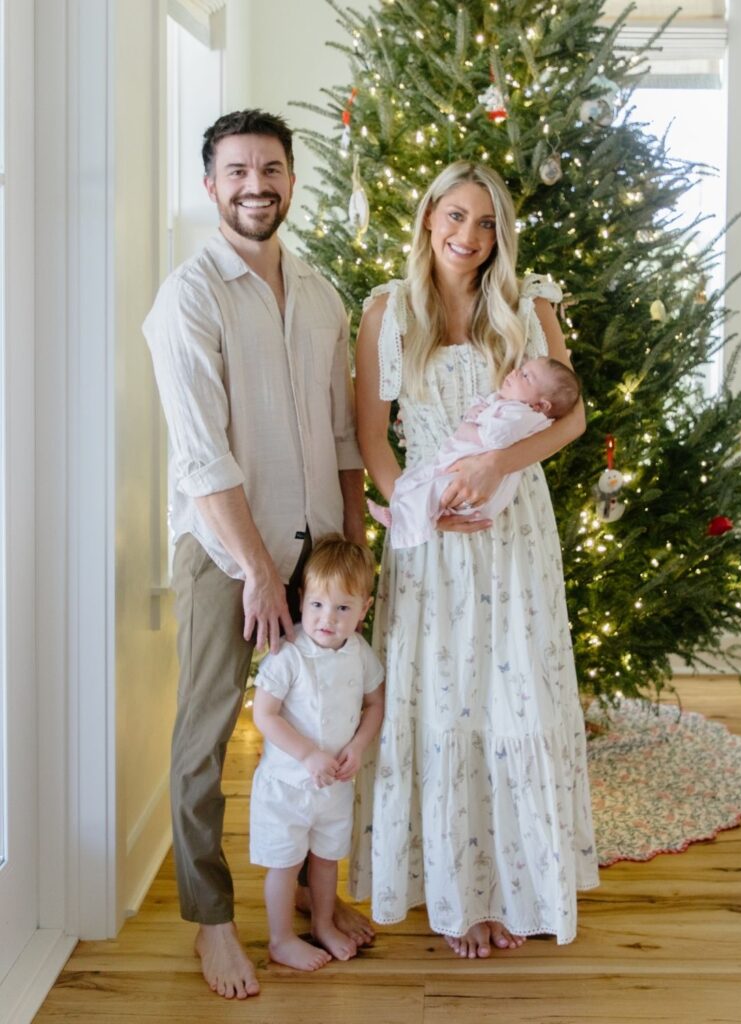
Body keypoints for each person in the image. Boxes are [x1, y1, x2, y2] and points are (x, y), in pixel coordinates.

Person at [143, 109, 372, 1000]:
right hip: (226, 557)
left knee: (328, 731)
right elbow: (203, 457)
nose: (255, 185)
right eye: (236, 171)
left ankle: (320, 903)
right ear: (211, 185)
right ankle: (211, 924)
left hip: (322, 566)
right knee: (203, 741)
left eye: (269, 169)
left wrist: (354, 554)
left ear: (289, 178)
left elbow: (342, 439)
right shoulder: (188, 297)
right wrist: (256, 573)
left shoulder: (319, 292)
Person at [350, 160, 599, 958]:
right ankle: (455, 896)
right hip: (429, 543)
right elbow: (368, 437)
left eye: (486, 223)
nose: (469, 236)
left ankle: (515, 887)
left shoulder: (527, 306)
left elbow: (569, 423)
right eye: (455, 217)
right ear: (428, 219)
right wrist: (415, 509)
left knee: (512, 701)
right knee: (446, 704)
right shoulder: (387, 313)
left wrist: (497, 467)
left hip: (512, 531)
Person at [250, 534, 385, 971]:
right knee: (285, 866)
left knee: (327, 861)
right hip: (288, 787)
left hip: (335, 786)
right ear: (303, 601)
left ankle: (324, 924)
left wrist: (359, 745)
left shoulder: (360, 655)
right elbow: (265, 715)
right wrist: (307, 755)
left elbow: (374, 703)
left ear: (363, 611)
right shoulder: (289, 656)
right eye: (318, 606)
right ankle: (281, 938)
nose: (328, 619)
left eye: (343, 608)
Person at [367, 356, 581, 549]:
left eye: (526, 376)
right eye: (521, 368)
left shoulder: (521, 414)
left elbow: (493, 436)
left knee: (437, 489)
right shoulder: (513, 405)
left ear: (541, 405)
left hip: (488, 491)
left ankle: (403, 517)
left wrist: (486, 452)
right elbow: (372, 436)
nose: (515, 372)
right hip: (455, 469)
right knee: (423, 483)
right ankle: (402, 510)